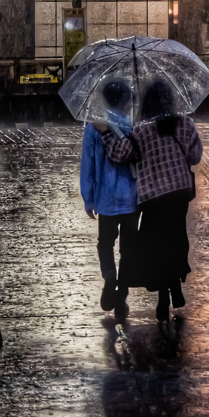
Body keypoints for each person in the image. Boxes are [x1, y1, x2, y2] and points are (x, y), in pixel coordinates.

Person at [99, 81, 202, 322]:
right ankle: (170, 291)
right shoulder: (185, 123)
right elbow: (195, 156)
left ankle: (163, 294)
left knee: (155, 246)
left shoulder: (142, 130)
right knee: (175, 239)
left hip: (153, 198)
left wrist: (105, 131)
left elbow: (120, 154)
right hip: (179, 193)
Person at [80, 79, 138, 318]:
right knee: (129, 248)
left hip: (106, 200)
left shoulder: (94, 127)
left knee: (105, 243)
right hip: (132, 199)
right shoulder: (135, 125)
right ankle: (122, 292)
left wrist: (89, 197)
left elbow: (89, 165)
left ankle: (109, 276)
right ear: (125, 101)